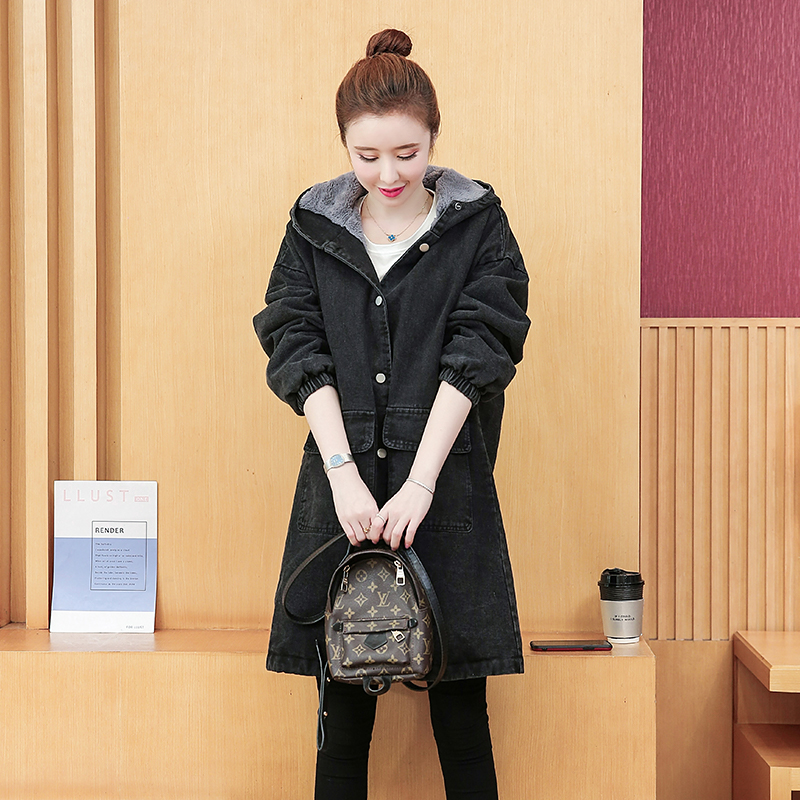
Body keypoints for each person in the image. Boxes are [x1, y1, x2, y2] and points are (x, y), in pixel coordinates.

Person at [253, 28, 530, 800]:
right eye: (367, 155)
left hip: (444, 490)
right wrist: (344, 476)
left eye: (407, 154)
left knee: (462, 717)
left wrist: (421, 483)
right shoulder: (312, 228)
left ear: (434, 138)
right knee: (342, 716)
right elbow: (295, 342)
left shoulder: (477, 227)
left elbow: (481, 350)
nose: (388, 174)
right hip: (342, 495)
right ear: (344, 143)